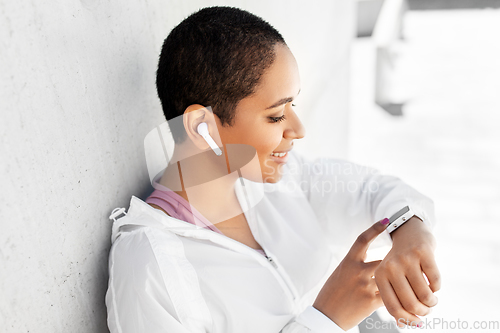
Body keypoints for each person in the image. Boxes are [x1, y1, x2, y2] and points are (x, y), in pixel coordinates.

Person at [105, 6, 440, 333]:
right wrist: (327, 320)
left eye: (293, 104)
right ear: (202, 126)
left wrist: (410, 230)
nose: (298, 129)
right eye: (276, 115)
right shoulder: (151, 268)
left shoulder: (279, 177)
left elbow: (371, 190)